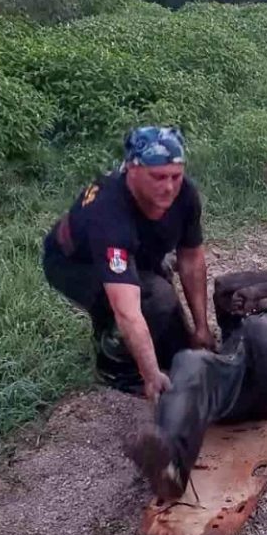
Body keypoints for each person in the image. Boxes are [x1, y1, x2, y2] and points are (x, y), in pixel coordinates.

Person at [123, 262, 267, 502]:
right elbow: (223, 285)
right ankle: (171, 468)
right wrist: (264, 282)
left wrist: (264, 289)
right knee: (190, 360)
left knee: (260, 328)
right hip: (231, 396)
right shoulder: (236, 324)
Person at [43, 126, 214, 400]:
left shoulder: (186, 195)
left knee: (178, 348)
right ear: (132, 170)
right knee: (155, 297)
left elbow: (192, 259)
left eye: (175, 176)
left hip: (134, 252)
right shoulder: (109, 212)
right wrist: (151, 375)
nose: (168, 187)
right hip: (73, 264)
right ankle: (114, 367)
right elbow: (128, 311)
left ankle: (135, 337)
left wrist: (201, 328)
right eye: (157, 177)